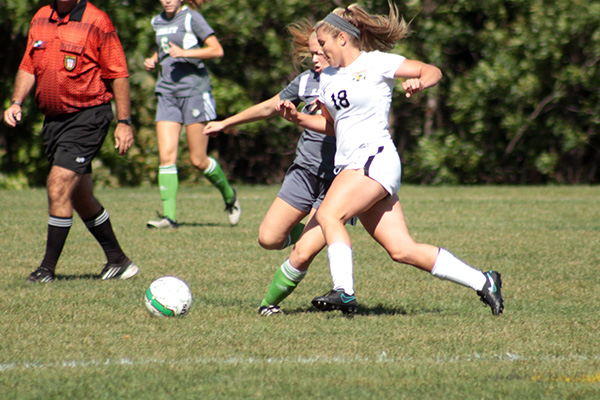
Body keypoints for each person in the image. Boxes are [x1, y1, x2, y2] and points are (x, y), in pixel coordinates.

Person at [276, 3, 504, 316]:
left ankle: (344, 291)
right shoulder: (327, 78)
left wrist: (420, 82)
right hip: (355, 166)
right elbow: (332, 126)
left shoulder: (376, 62)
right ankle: (484, 281)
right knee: (401, 249)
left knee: (329, 215)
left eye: (324, 44)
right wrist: (298, 119)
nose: (320, 51)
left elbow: (432, 70)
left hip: (373, 158)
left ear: (342, 39)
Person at [204, 21, 336, 316]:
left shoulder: (354, 81)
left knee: (302, 252)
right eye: (312, 53)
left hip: (340, 179)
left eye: (320, 52)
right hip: (304, 171)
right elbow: (269, 107)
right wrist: (227, 123)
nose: (315, 59)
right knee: (269, 238)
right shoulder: (305, 81)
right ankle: (312, 231)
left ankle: (269, 305)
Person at [3, 0, 139, 283]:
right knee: (79, 195)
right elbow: (28, 65)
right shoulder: (41, 17)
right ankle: (118, 260)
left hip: (88, 116)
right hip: (53, 121)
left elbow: (118, 74)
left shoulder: (97, 21)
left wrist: (124, 122)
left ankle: (47, 269)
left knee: (58, 184)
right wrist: (16, 102)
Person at [144, 0, 240, 228]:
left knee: (198, 160)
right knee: (166, 156)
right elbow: (165, 48)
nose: (167, 0)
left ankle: (229, 195)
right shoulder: (156, 21)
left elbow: (217, 50)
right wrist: (154, 59)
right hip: (167, 93)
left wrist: (184, 53)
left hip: (195, 93)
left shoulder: (192, 18)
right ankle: (170, 218)